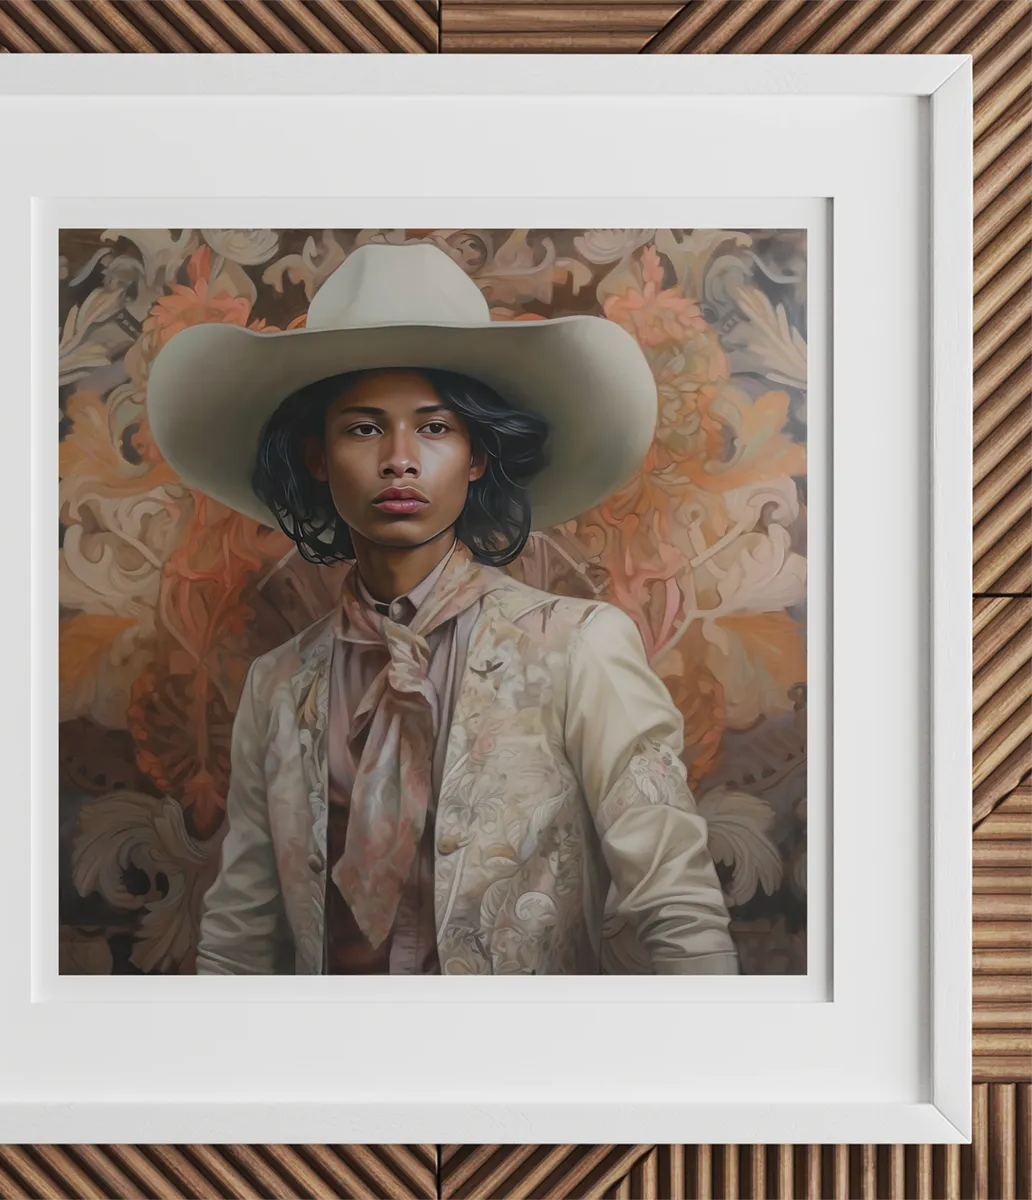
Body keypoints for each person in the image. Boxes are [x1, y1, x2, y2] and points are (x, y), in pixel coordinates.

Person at [146, 241, 739, 976]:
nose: (400, 459)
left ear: (478, 455)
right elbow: (238, 939)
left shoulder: (579, 647)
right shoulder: (277, 684)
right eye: (364, 428)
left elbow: (677, 911)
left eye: (434, 427)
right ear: (317, 458)